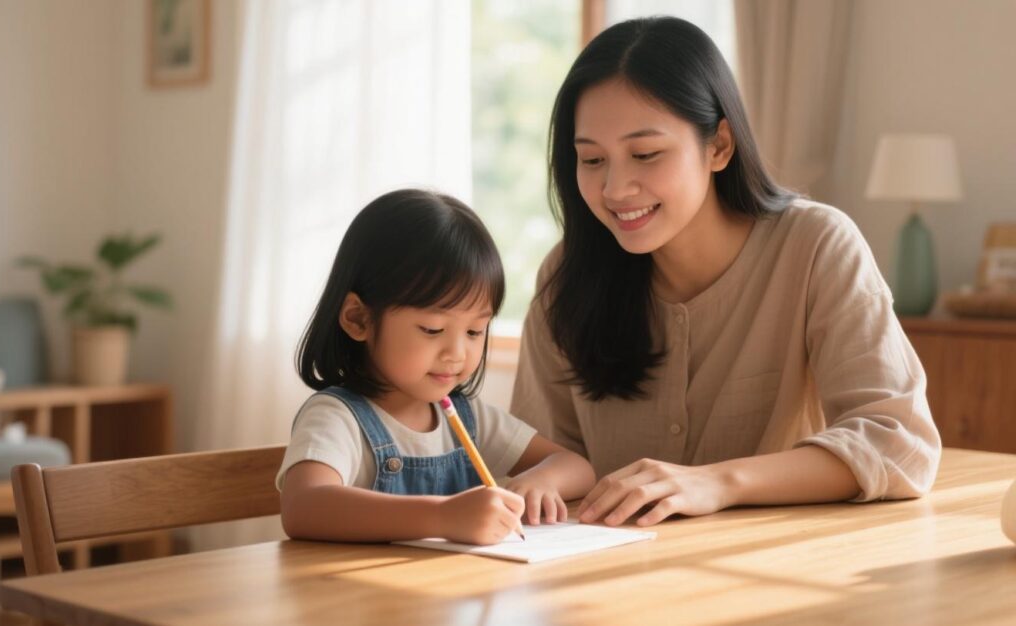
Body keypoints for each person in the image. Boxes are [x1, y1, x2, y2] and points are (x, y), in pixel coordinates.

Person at [511, 17, 941, 528]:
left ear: (719, 146)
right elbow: (535, 457)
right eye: (591, 160)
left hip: (768, 565)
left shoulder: (816, 247)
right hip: (605, 567)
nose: (615, 188)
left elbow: (899, 443)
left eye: (645, 154)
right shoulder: (568, 274)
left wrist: (718, 482)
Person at [278, 189, 596, 546]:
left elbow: (577, 466)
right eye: (432, 329)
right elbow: (303, 507)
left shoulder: (467, 418)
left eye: (475, 331)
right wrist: (442, 516)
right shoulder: (336, 417)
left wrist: (540, 481)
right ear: (358, 319)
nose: (457, 353)